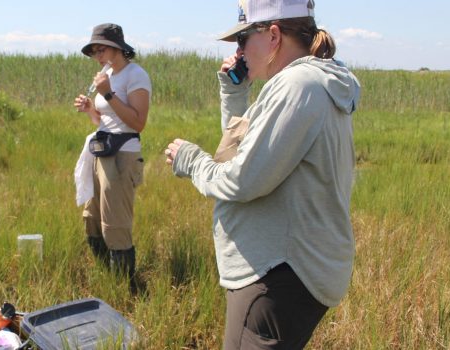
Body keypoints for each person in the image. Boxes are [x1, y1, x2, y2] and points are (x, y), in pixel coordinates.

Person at [164, 0, 361, 348]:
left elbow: (241, 179)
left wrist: (191, 161)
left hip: (277, 274)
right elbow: (244, 153)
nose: (239, 51)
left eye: (243, 39)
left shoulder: (297, 86)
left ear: (273, 36)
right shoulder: (308, 82)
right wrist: (235, 92)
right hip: (289, 271)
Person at [73, 23, 151, 291]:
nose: (97, 56)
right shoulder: (105, 74)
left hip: (122, 155)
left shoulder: (136, 75)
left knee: (115, 220)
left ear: (117, 47)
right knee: (92, 215)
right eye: (93, 51)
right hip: (100, 149)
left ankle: (125, 286)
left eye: (101, 49)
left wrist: (107, 93)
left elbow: (138, 123)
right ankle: (105, 275)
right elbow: (102, 120)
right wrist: (90, 109)